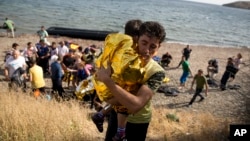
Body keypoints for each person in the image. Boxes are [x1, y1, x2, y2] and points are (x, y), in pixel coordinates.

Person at [96, 21, 166, 141]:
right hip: (116, 116)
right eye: (144, 43)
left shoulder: (157, 72)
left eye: (153, 46)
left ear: (159, 47)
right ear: (137, 40)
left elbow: (136, 105)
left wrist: (107, 81)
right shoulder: (123, 57)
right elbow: (102, 84)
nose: (147, 50)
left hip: (138, 122)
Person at [91, 19, 143, 140]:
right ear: (136, 36)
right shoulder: (130, 45)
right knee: (126, 98)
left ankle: (100, 115)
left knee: (121, 99)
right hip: (110, 82)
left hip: (100, 81)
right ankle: (120, 131)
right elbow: (128, 68)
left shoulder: (115, 40)